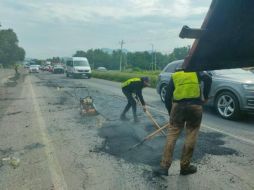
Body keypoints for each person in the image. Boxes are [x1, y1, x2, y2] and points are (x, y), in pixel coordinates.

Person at [153, 69, 212, 176]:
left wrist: (170, 112)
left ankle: (164, 167)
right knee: (191, 134)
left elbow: (167, 97)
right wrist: (206, 96)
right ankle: (185, 167)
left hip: (178, 107)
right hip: (195, 106)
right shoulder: (197, 72)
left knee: (172, 135)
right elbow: (208, 78)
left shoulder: (175, 75)